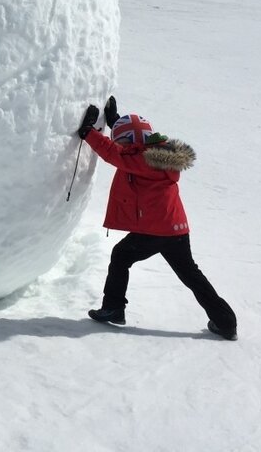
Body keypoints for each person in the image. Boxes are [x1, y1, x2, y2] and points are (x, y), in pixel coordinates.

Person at [76, 97, 238, 340]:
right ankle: (225, 321)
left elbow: (116, 155)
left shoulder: (144, 161)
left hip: (156, 231)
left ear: (132, 141)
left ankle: (113, 307)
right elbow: (129, 148)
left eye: (122, 139)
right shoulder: (157, 154)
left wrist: (88, 132)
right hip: (175, 229)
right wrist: (115, 123)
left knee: (121, 256)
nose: (119, 143)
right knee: (191, 275)